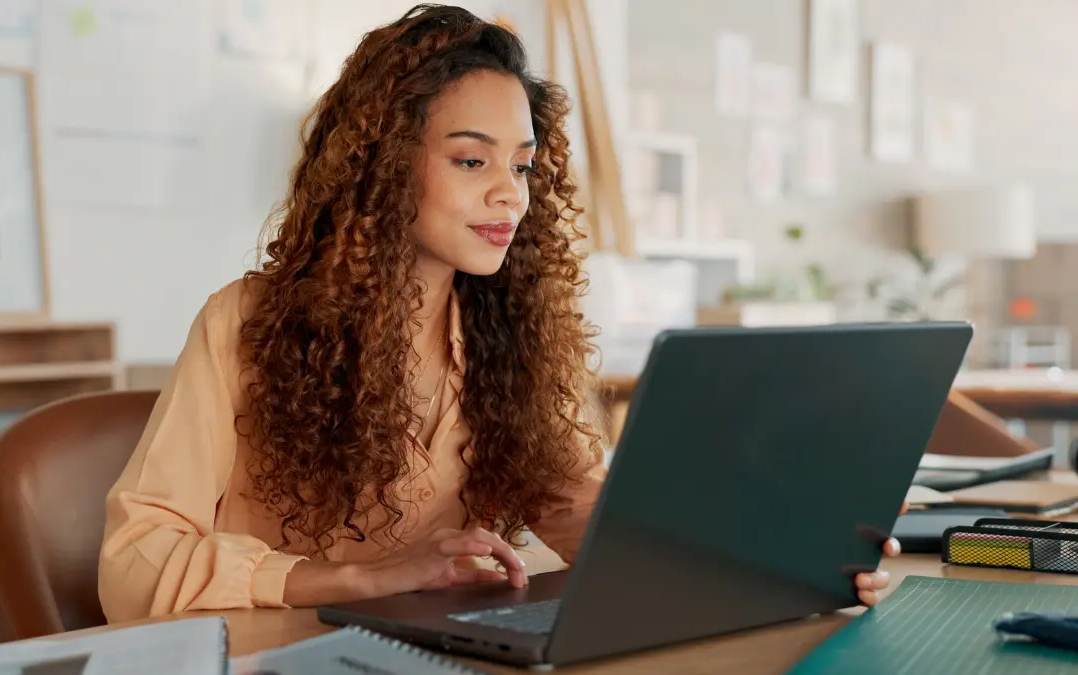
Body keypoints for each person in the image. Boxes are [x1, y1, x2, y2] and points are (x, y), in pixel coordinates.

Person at [97, 4, 900, 622]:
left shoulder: (511, 333)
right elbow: (134, 561)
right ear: (382, 167)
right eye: (471, 159)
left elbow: (580, 507)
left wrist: (765, 553)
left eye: (521, 165)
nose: (509, 193)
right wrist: (360, 576)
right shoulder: (246, 321)